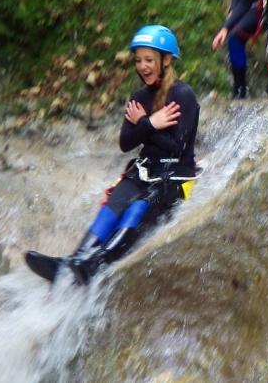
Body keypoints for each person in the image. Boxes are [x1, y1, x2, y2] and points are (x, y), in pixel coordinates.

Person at [25, 25, 201, 286]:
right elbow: (126, 142)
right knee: (112, 207)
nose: (142, 66)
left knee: (138, 207)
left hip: (175, 174)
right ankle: (75, 259)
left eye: (149, 60)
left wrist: (145, 123)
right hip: (146, 169)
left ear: (166, 60)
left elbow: (177, 147)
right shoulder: (139, 97)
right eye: (138, 60)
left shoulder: (182, 94)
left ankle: (99, 260)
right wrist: (150, 123)